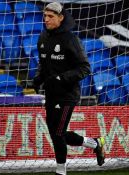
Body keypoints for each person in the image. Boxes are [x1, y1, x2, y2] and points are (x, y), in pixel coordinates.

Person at [33, 2, 105, 175]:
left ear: (61, 17)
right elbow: (44, 64)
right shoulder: (43, 37)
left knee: (58, 134)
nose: (46, 19)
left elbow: (85, 68)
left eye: (51, 16)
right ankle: (95, 143)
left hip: (67, 95)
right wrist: (38, 78)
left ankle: (61, 171)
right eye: (45, 16)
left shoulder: (71, 40)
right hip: (51, 94)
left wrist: (61, 78)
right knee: (57, 134)